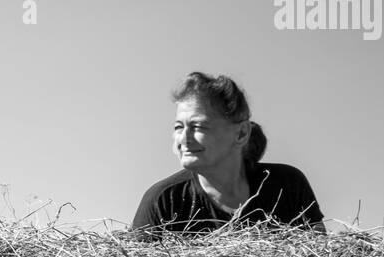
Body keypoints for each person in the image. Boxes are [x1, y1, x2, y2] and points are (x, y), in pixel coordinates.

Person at [132, 71, 325, 236]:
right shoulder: (163, 201)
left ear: (241, 134)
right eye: (178, 127)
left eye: (198, 126)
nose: (183, 138)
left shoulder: (286, 185)